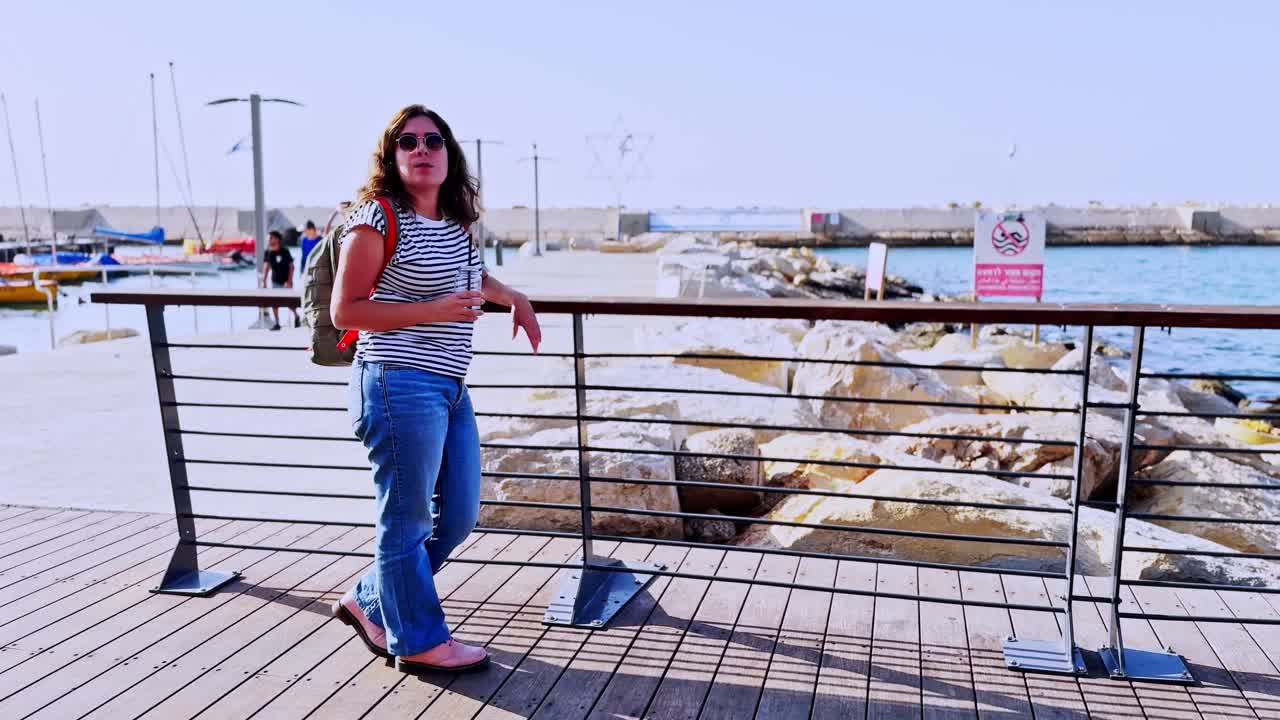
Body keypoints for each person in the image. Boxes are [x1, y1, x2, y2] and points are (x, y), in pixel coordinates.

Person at [329, 105, 541, 674]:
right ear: (392, 156)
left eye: (433, 139)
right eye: (408, 141)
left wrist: (513, 296)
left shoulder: (454, 221)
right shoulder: (376, 217)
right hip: (398, 385)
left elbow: (472, 278)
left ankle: (370, 601)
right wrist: (432, 310)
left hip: (450, 385)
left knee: (459, 516)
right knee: (406, 522)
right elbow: (344, 309)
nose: (421, 148)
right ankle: (419, 639)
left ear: (449, 154)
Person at [262, 230, 299, 329]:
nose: (268, 240)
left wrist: (290, 281)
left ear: (277, 239)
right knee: (274, 302)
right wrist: (264, 281)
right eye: (268, 239)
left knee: (289, 302)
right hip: (275, 281)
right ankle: (277, 323)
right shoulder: (267, 252)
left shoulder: (285, 251)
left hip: (286, 281)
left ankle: (296, 316)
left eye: (270, 238)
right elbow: (266, 266)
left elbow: (291, 267)